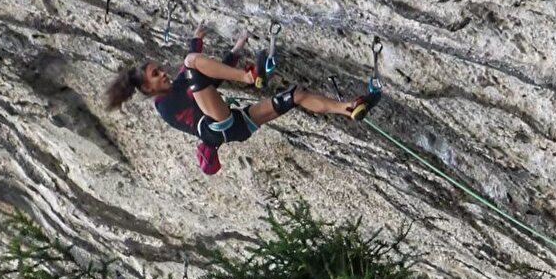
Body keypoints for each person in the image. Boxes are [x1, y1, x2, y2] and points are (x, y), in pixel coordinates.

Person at [105, 25, 379, 174]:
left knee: (297, 95)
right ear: (147, 88)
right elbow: (192, 72)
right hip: (216, 124)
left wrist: (237, 47)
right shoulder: (164, 106)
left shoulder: (176, 89)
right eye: (156, 74)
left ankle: (348, 109)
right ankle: (250, 77)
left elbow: (209, 80)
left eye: (159, 69)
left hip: (236, 126)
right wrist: (194, 48)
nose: (163, 73)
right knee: (190, 62)